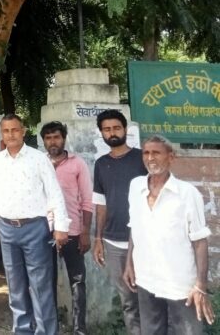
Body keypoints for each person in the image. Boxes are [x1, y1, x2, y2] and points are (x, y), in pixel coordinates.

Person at [0, 113, 69, 335]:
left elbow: (54, 193)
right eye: (6, 131)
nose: (11, 135)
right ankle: (22, 330)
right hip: (7, 229)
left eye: (15, 130)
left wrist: (61, 227)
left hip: (35, 229)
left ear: (23, 131)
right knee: (16, 286)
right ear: (2, 134)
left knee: (40, 286)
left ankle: (46, 331)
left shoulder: (38, 158)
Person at [123, 135, 215, 334]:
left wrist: (200, 285)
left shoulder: (187, 193)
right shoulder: (136, 187)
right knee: (151, 331)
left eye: (156, 153)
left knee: (187, 331)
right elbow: (134, 227)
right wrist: (129, 263)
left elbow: (200, 241)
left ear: (171, 157)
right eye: (146, 153)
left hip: (180, 283)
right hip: (146, 277)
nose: (150, 158)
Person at [92, 109, 147, 335]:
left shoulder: (142, 158)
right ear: (102, 133)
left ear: (125, 129)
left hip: (145, 240)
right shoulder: (101, 164)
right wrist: (98, 238)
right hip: (114, 242)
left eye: (116, 128)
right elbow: (100, 204)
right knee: (128, 301)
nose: (112, 133)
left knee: (151, 298)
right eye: (107, 129)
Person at [40, 121, 93, 335]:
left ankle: (79, 330)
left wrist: (85, 233)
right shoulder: (39, 163)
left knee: (77, 282)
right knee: (45, 281)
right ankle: (49, 327)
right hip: (43, 231)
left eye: (56, 137)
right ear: (44, 141)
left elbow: (87, 201)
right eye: (48, 138)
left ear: (64, 139)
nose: (53, 142)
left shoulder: (77, 164)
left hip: (73, 231)